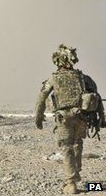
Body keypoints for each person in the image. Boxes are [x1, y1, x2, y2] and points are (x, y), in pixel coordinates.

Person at [35, 44, 105, 194]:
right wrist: (102, 118)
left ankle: (71, 182)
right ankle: (76, 172)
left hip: (64, 118)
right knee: (77, 143)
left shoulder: (54, 78)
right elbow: (96, 97)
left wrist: (38, 117)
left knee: (66, 147)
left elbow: (42, 97)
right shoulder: (83, 78)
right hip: (81, 116)